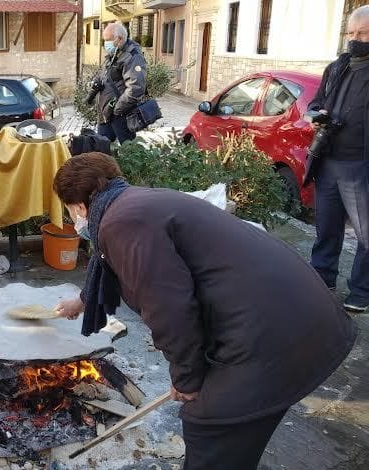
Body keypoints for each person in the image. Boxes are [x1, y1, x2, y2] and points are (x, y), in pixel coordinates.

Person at [54, 152, 357, 470]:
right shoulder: (136, 203)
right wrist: (83, 301)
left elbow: (169, 309)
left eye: (71, 212)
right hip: (307, 315)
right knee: (239, 434)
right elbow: (116, 265)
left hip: (274, 334)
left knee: (209, 427)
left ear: (79, 205)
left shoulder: (120, 223)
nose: (76, 222)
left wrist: (186, 378)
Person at [308, 5, 369, 312]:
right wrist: (315, 115)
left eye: (364, 33)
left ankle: (362, 290)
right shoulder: (336, 68)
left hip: (360, 166)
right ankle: (322, 276)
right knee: (326, 226)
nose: (355, 39)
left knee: (366, 232)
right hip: (328, 161)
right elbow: (315, 102)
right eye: (351, 33)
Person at [88, 22, 146, 144]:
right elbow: (106, 76)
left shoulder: (132, 57)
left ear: (119, 39)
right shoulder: (115, 54)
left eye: (108, 40)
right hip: (106, 115)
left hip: (121, 115)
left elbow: (135, 88)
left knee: (128, 152)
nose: (105, 44)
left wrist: (117, 109)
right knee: (101, 150)